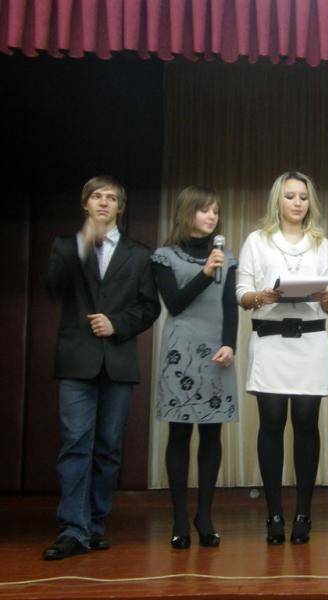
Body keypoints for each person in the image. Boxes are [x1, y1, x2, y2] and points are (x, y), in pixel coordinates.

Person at [43, 176, 160, 560]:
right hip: (76, 361)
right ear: (86, 204)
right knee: (76, 442)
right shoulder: (66, 246)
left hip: (118, 361)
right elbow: (53, 286)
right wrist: (83, 242)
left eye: (111, 198)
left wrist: (118, 324)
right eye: (97, 196)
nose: (104, 203)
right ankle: (72, 529)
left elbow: (149, 308)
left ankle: (93, 524)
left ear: (120, 208)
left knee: (108, 448)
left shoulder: (139, 254)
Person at [237, 171, 328, 545]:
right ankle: (274, 514)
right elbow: (242, 292)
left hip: (311, 342)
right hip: (270, 341)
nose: (297, 203)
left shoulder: (321, 243)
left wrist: (326, 297)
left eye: (303, 197)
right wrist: (261, 297)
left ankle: (303, 514)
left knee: (307, 423)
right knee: (272, 422)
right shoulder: (257, 240)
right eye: (290, 196)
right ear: (277, 200)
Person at [151, 186, 238, 549]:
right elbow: (174, 304)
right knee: (180, 434)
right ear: (187, 212)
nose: (212, 216)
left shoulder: (227, 258)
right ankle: (178, 519)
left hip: (217, 352)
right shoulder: (164, 256)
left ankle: (205, 515)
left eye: (215, 211)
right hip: (181, 352)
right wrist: (204, 273)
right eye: (204, 210)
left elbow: (231, 307)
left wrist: (230, 344)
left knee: (212, 435)